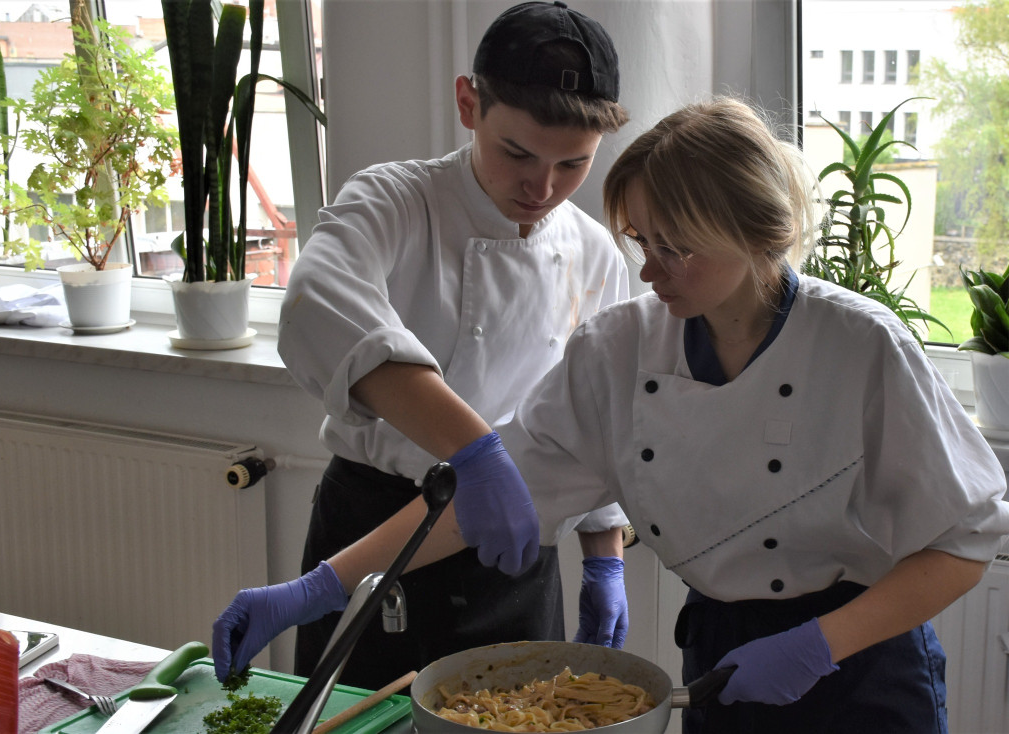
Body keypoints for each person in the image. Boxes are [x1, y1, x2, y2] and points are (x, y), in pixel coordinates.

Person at [493, 96, 1009, 732]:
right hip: (723, 656)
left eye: (674, 247)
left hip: (862, 661)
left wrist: (817, 645)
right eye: (642, 241)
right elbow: (501, 483)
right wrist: (366, 569)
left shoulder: (861, 343)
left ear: (752, 231)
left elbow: (966, 540)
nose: (649, 269)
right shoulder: (617, 346)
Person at [211, 1, 632, 690]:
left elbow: (599, 417)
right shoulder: (394, 201)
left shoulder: (593, 253)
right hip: (372, 524)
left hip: (515, 548)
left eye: (573, 164)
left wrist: (605, 557)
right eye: (518, 154)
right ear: (469, 104)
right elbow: (318, 307)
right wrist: (476, 451)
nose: (543, 187)